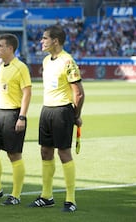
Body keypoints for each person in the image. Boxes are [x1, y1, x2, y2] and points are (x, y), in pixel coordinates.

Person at [28, 25, 84, 212]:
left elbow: (79, 93)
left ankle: (70, 200)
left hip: (62, 111)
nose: (41, 41)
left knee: (63, 153)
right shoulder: (46, 61)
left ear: (55, 41)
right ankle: (46, 196)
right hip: (47, 110)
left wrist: (76, 116)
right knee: (45, 151)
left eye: (44, 38)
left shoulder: (68, 61)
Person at [0, 33, 32, 205]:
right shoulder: (2, 66)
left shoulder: (21, 67)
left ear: (10, 48)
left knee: (14, 155)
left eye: (0, 46)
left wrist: (22, 117)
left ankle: (15, 195)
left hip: (13, 114)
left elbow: (27, 93)